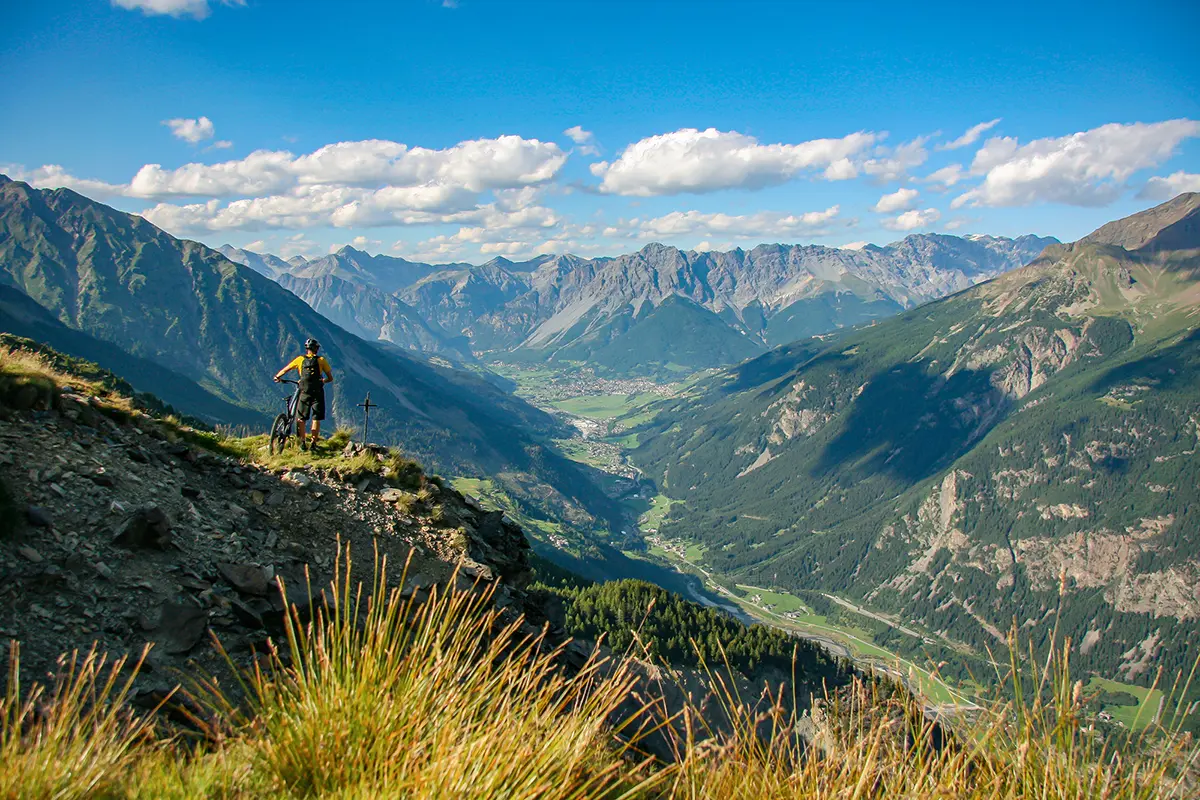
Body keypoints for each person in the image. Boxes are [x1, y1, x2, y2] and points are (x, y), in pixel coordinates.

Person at [274, 338, 334, 450]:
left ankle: (302, 443)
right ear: (316, 349)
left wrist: (278, 376)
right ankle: (313, 443)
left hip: (304, 391)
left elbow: (286, 369)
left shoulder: (300, 359)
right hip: (317, 392)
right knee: (316, 418)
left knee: (301, 418)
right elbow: (330, 378)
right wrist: (323, 381)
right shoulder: (321, 360)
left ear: (307, 349)